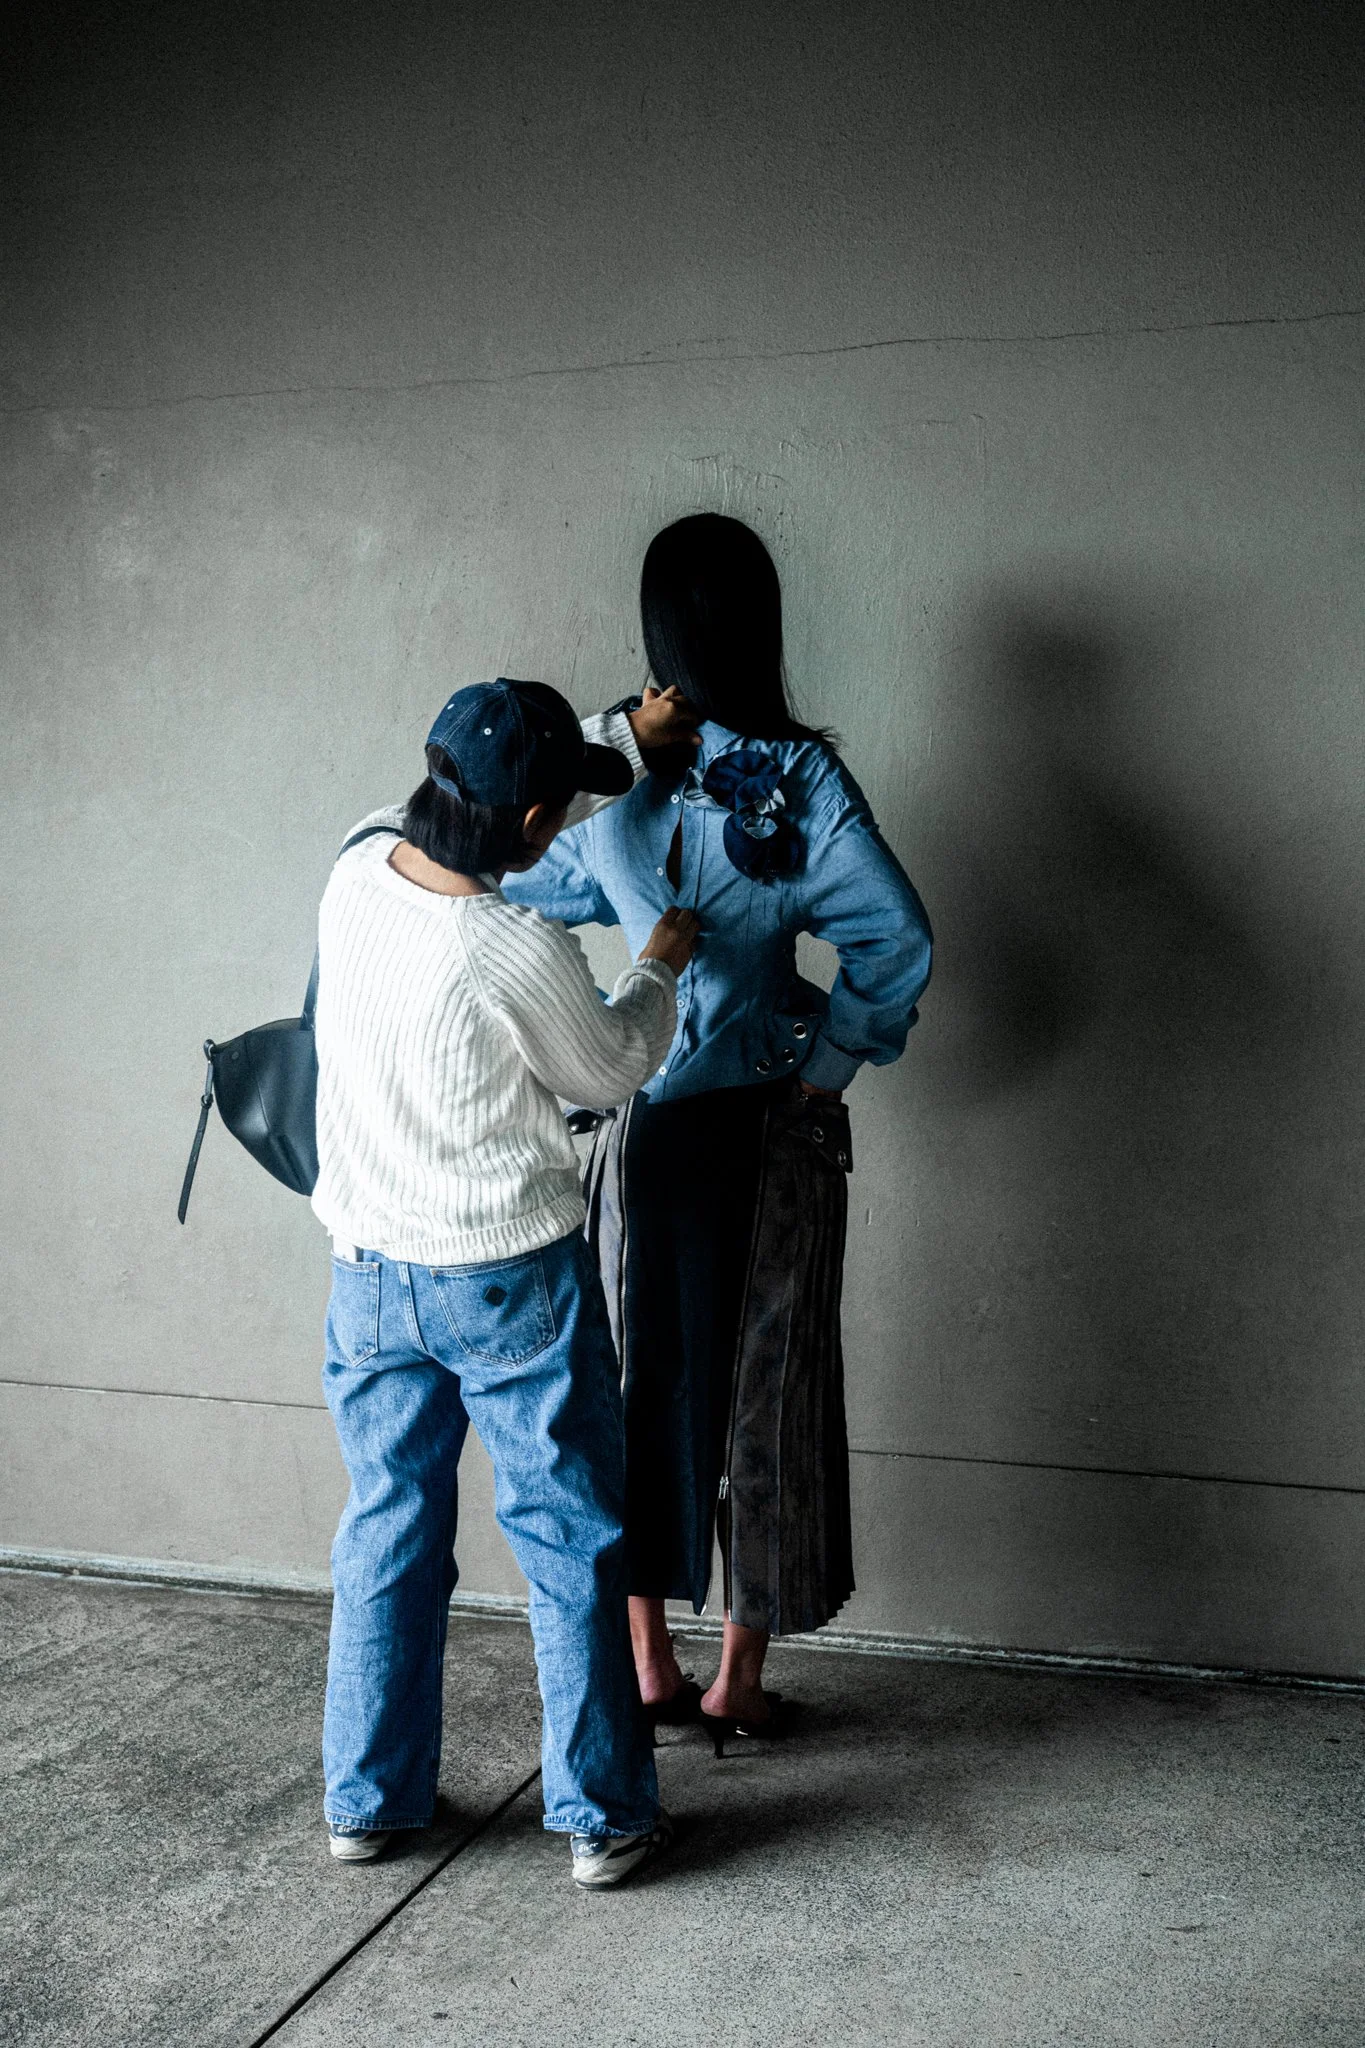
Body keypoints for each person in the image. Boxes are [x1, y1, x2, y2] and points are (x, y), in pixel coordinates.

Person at [504, 515, 932, 1748]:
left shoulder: (621, 781)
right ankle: (738, 1681)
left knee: (636, 1384)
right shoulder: (804, 782)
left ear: (658, 634)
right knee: (768, 1391)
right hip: (766, 1130)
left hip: (638, 1134)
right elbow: (896, 942)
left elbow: (517, 882)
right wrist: (824, 1054)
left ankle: (646, 1667)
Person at [311, 675, 700, 1886]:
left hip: (370, 1273)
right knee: (568, 1535)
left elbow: (425, 807)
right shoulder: (510, 943)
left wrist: (615, 735)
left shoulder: (353, 863)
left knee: (388, 1522)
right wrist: (659, 963)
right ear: (536, 827)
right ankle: (600, 1818)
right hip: (507, 1280)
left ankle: (366, 1801)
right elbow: (613, 1065)